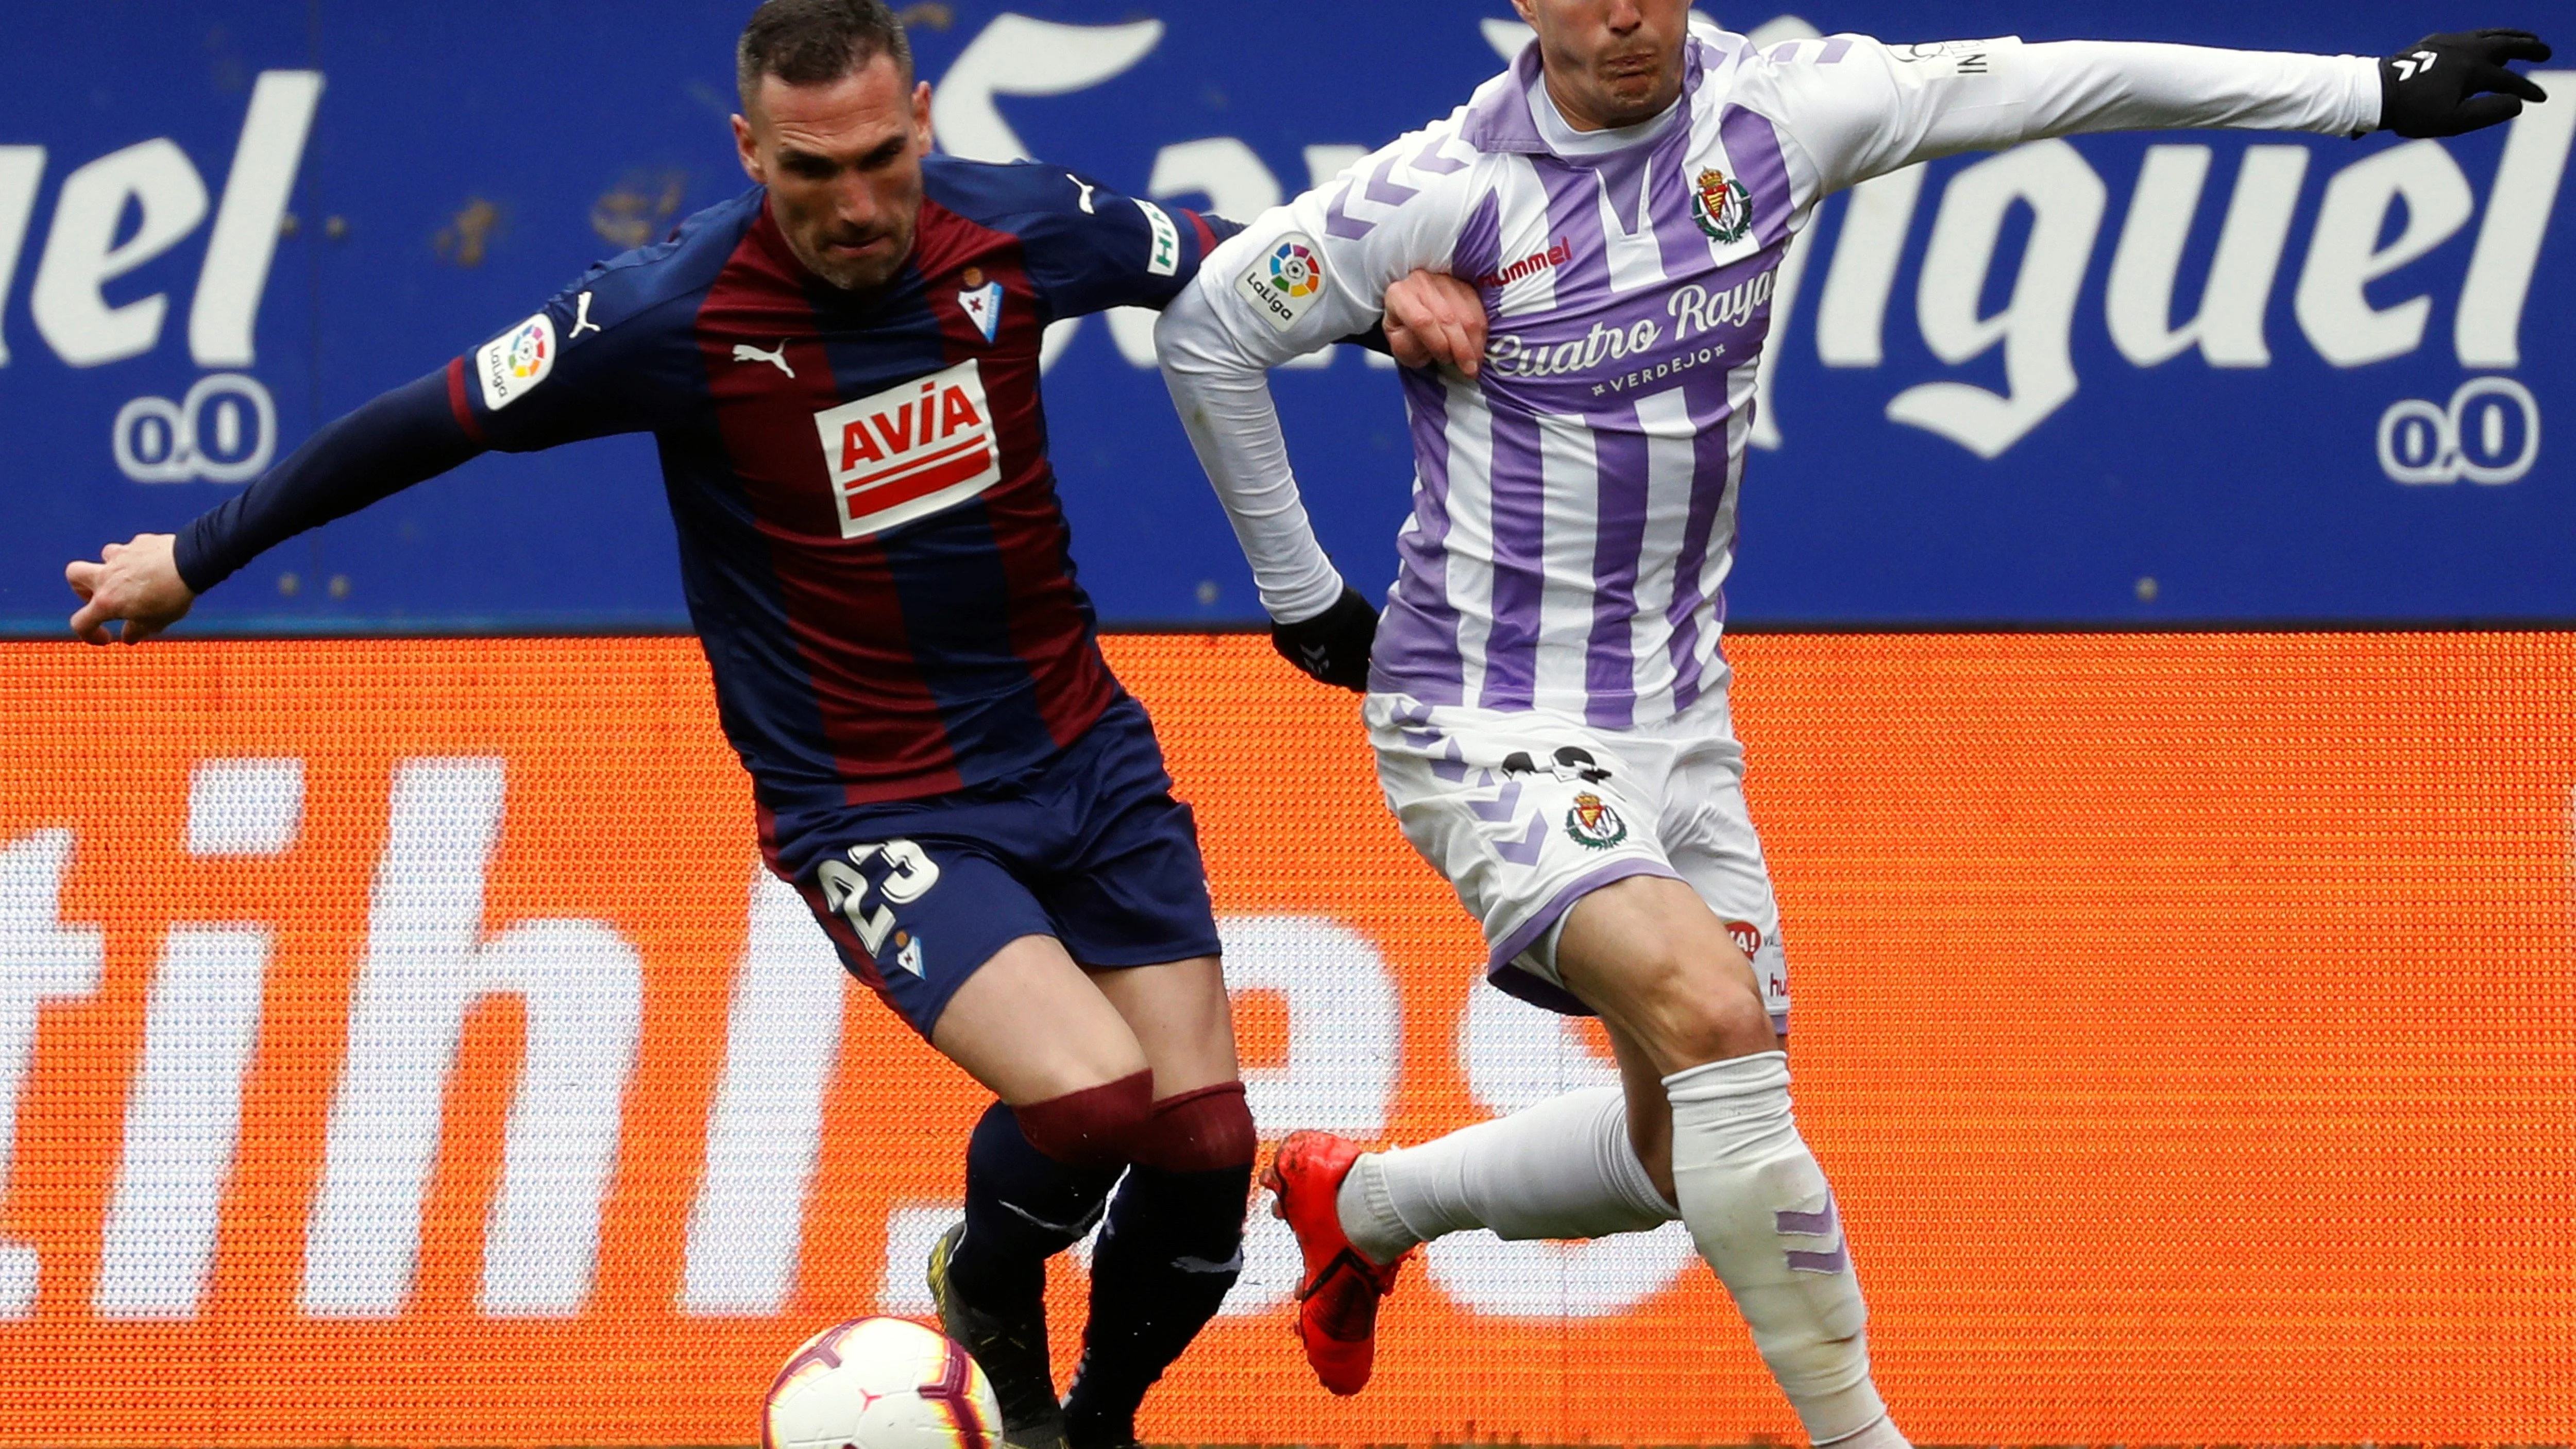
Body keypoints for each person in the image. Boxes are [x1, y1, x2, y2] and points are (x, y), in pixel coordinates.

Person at [60, 3, 1480, 1446]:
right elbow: (424, 421)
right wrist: (196, 553)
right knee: (1098, 1099)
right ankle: (980, 1280)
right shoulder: (673, 313)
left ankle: (1090, 1424)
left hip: (1085, 755)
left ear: (921, 120)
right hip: (875, 802)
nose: (857, 205)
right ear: (750, 151)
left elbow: (1238, 265)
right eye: (813, 175)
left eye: (880, 159)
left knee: (1204, 1144)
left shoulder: (1019, 228)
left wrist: (1384, 303)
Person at [1156, 3, 2548, 1444]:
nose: (1626, 14)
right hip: (1483, 708)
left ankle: (1367, 1202)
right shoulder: (1438, 195)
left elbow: (2056, 81)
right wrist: (1305, 596)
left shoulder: (1778, 111)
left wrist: (2366, 93)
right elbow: (1209, 330)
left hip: (1679, 715)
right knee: (1712, 1014)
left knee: (1682, 1145)